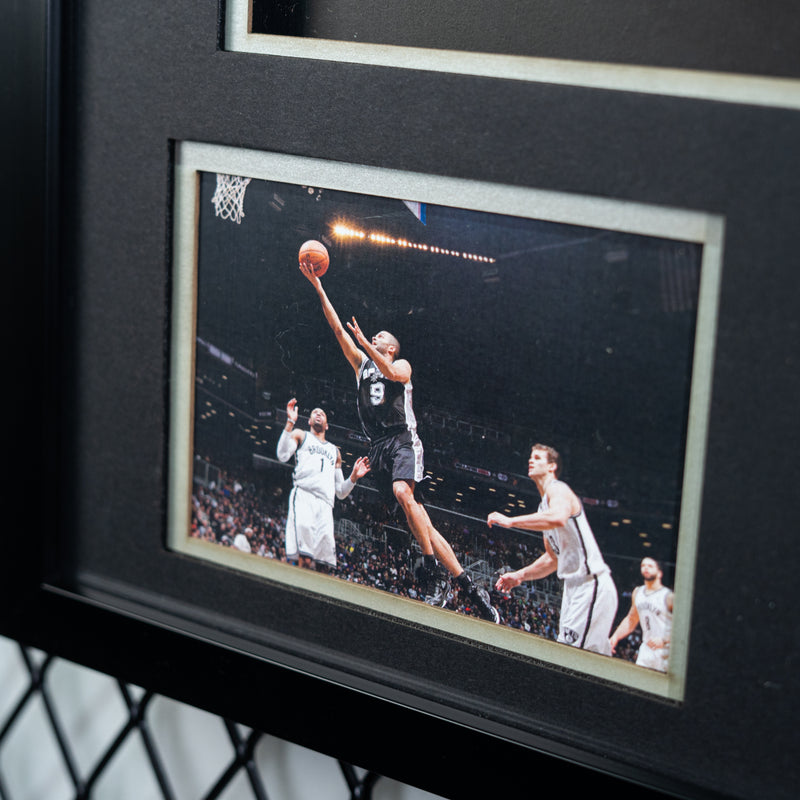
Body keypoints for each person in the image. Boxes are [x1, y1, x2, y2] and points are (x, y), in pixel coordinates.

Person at [300, 262, 499, 623]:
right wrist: (317, 285)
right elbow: (334, 326)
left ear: (389, 347)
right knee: (423, 521)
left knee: (403, 493)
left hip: (402, 440)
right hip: (377, 446)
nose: (370, 339)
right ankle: (470, 588)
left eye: (377, 338)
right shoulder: (361, 365)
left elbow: (392, 373)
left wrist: (365, 344)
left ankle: (430, 570)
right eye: (370, 338)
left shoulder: (401, 364)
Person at [489, 444, 618, 654]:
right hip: (574, 587)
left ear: (551, 466)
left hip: (591, 583)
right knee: (582, 656)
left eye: (538, 458)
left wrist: (511, 521)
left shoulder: (559, 489)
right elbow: (552, 559)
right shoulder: (543, 507)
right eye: (531, 457)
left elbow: (558, 518)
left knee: (571, 655)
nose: (531, 460)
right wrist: (520, 576)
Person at [277, 398, 370, 571]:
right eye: (315, 413)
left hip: (326, 506)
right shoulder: (301, 435)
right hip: (304, 496)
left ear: (327, 425)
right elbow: (282, 455)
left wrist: (354, 477)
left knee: (324, 565)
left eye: (322, 413)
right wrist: (290, 422)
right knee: (303, 558)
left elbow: (341, 492)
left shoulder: (335, 451)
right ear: (310, 421)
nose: (318, 413)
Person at [609, 557, 673, 672]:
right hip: (646, 650)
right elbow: (631, 619)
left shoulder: (668, 597)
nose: (646, 568)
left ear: (660, 573)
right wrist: (615, 636)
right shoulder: (638, 592)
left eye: (650, 566)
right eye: (643, 565)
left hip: (666, 652)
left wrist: (664, 640)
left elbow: (683, 629)